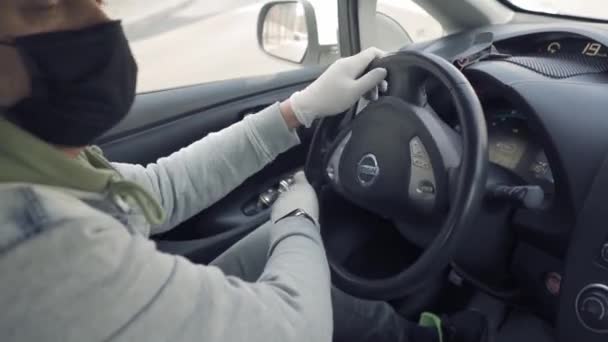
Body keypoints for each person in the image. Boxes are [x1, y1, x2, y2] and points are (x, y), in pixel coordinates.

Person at [0, 1, 487, 341]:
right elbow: (297, 329)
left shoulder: (35, 162)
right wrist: (298, 219)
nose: (99, 22)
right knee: (298, 253)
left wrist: (298, 109)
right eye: (43, 3)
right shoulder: (35, 242)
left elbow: (156, 193)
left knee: (269, 249)